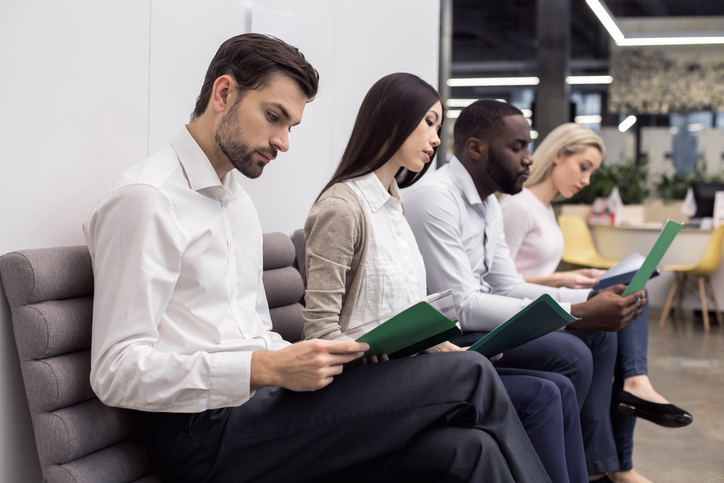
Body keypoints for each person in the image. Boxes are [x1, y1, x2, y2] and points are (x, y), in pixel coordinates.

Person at [82, 35, 551, 483]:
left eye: (291, 126)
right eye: (274, 117)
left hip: (259, 405)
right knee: (470, 373)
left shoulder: (236, 203)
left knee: (468, 452)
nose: (283, 142)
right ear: (224, 92)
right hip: (205, 436)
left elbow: (252, 331)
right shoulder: (146, 199)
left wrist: (310, 358)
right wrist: (264, 369)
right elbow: (115, 371)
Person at [303, 73, 585, 483]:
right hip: (363, 382)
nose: (437, 139)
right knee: (506, 381)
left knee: (539, 386)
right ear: (393, 121)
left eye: (439, 125)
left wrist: (443, 348)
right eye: (429, 123)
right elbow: (319, 332)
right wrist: (370, 348)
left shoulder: (394, 207)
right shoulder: (342, 207)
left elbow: (405, 313)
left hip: (406, 367)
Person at [404, 99, 649, 483]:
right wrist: (577, 314)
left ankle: (586, 467)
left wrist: (583, 302)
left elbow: (508, 284)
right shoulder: (436, 197)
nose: (529, 160)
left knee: (586, 346)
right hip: (450, 336)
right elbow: (463, 307)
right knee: (571, 354)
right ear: (476, 148)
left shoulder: (490, 205)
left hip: (478, 321)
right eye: (517, 148)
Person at [500, 122, 693, 481]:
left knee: (629, 295)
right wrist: (561, 279)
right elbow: (498, 282)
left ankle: (628, 424)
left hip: (546, 300)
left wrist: (566, 278)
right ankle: (629, 419)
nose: (587, 180)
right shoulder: (518, 206)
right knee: (620, 312)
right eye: (584, 167)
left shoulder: (544, 208)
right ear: (559, 155)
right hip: (523, 311)